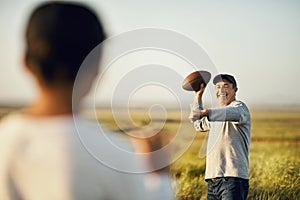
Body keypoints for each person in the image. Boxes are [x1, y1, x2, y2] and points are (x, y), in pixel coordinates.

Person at [0, 2, 174, 200]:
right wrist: (160, 175)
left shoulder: (5, 139)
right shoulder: (112, 155)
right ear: (97, 66)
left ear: (25, 62)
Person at [189, 74, 251, 200]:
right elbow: (199, 125)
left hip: (233, 180)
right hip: (212, 181)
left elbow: (232, 113)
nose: (221, 90)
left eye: (226, 86)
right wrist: (198, 97)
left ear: (235, 90)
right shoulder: (216, 115)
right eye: (218, 87)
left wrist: (206, 112)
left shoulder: (240, 107)